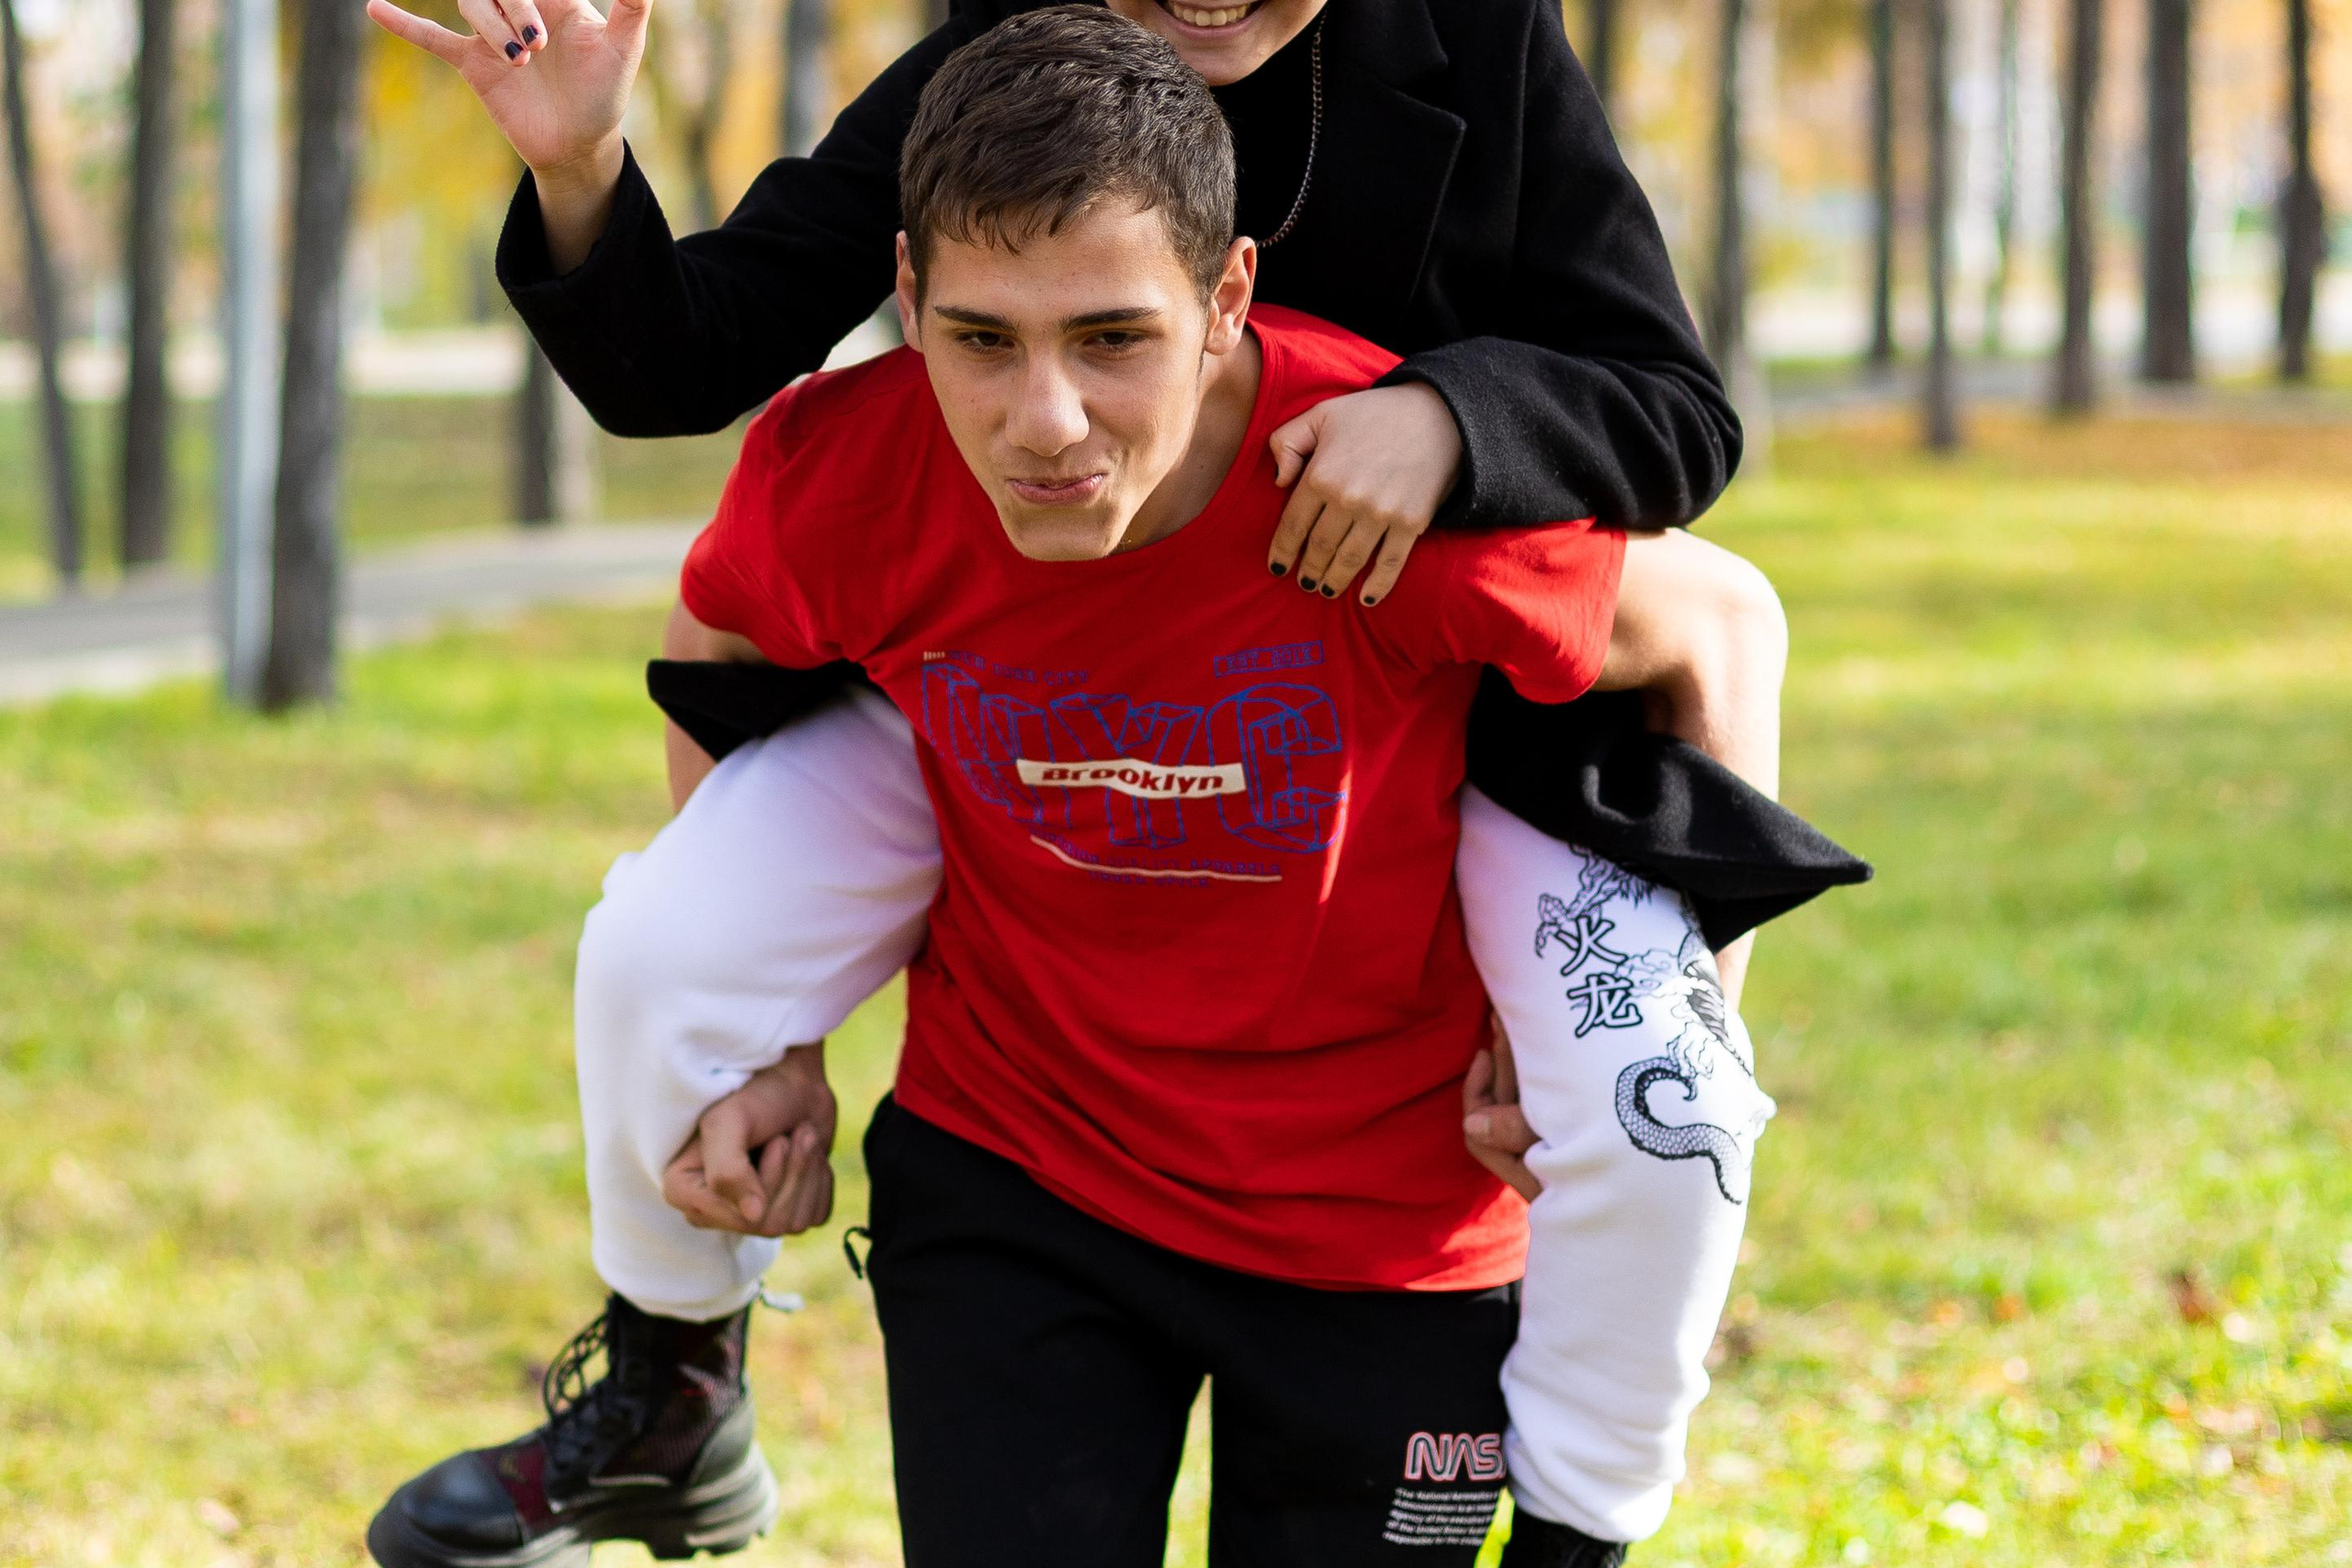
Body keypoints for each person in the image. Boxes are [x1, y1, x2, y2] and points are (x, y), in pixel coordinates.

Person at [364, 14, 1843, 1568]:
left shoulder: (1467, 37)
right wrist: (583, 159)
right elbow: (705, 444)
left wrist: (1458, 422)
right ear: (924, 299)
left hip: (1402, 617)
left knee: (1657, 1101)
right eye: (986, 336)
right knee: (663, 950)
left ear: (1223, 301)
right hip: (1000, 641)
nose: (1046, 405)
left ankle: (1577, 1535)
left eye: (1106, 339)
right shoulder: (1006, 77)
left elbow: (1692, 473)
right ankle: (672, 1380)